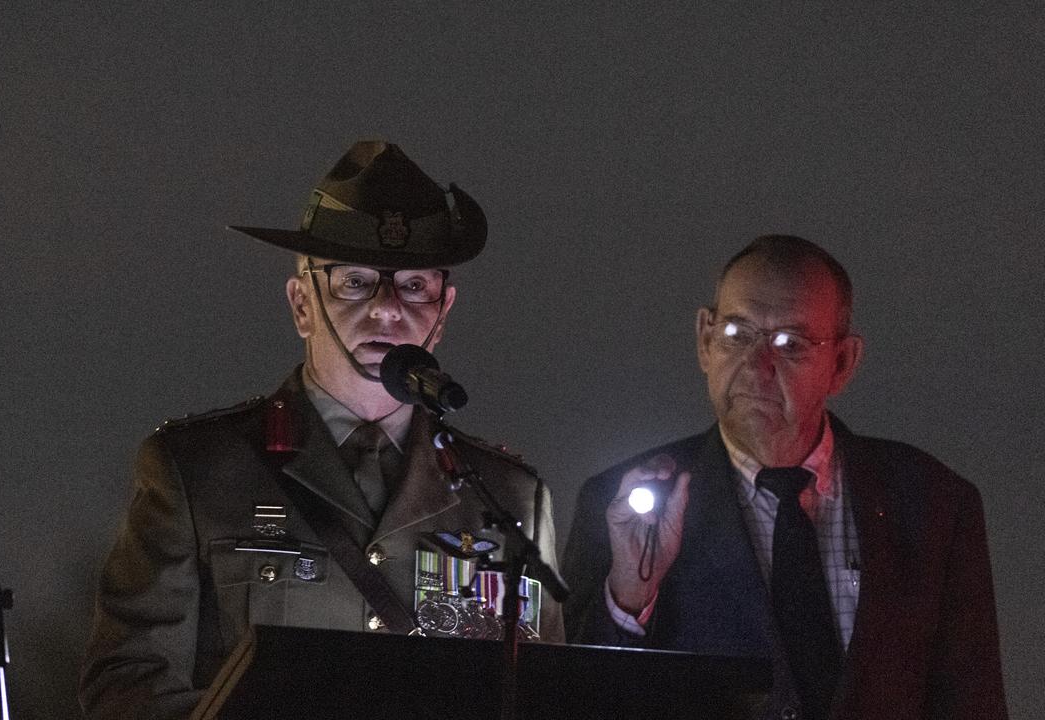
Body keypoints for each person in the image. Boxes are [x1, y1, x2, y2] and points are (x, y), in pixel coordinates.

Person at [80, 141, 564, 720]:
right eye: (355, 282)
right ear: (302, 303)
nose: (388, 310)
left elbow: (543, 693)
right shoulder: (199, 471)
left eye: (414, 286)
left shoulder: (508, 496)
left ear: (444, 310)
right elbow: (128, 690)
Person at [562, 235, 1006, 720]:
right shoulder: (622, 505)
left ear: (843, 363)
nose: (757, 366)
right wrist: (627, 599)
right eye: (737, 333)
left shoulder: (932, 504)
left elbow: (973, 702)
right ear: (704, 341)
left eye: (790, 344)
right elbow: (576, 701)